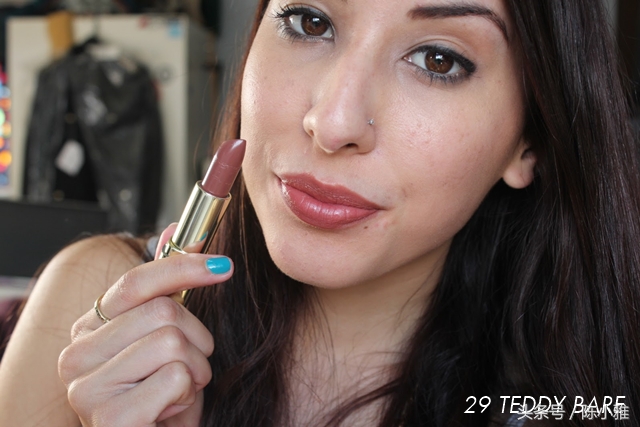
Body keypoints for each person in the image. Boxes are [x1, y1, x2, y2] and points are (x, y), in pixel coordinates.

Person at [1, 0, 639, 425]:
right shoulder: (93, 304)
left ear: (530, 142)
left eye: (438, 60)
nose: (333, 124)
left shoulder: (574, 399)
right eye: (309, 22)